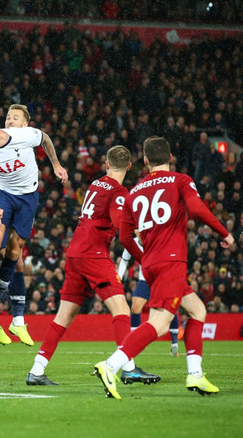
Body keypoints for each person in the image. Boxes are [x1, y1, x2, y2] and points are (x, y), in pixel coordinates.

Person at [94, 137, 234, 399]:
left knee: (197, 310)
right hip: (172, 261)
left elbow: (125, 237)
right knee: (159, 323)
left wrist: (143, 258)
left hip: (152, 263)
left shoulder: (134, 191)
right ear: (170, 157)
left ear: (145, 161)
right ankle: (110, 366)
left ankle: (195, 374)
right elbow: (197, 209)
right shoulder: (181, 180)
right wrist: (224, 233)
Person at [26, 146, 159, 386]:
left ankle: (36, 370)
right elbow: (123, 228)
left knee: (64, 316)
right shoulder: (119, 192)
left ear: (107, 164)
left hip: (75, 252)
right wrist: (145, 252)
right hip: (94, 255)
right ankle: (128, 367)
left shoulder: (96, 184)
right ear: (129, 167)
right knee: (121, 310)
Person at [0, 112, 68, 332]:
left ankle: (0, 307)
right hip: (3, 194)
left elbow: (45, 138)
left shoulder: (23, 136)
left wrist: (56, 165)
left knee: (15, 253)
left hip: (28, 197)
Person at [118, 245, 181, 356]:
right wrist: (119, 277)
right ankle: (133, 344)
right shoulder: (132, 242)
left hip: (161, 278)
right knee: (135, 308)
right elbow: (124, 260)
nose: (138, 232)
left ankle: (174, 343)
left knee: (170, 308)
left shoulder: (157, 239)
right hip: (144, 280)